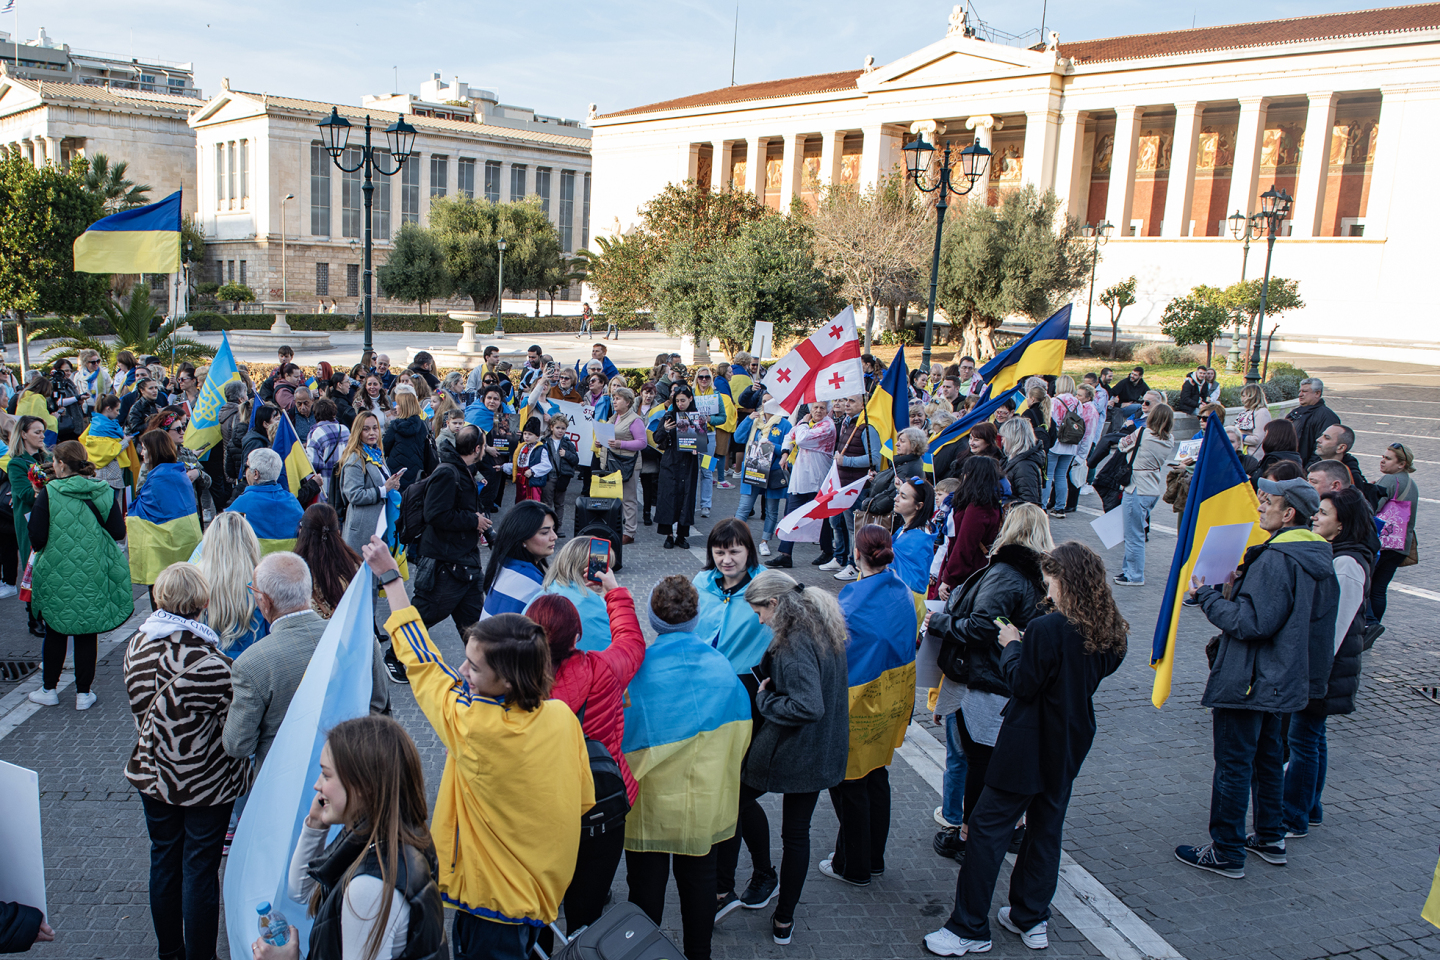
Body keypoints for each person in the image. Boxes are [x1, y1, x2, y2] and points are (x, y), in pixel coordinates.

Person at [368, 539, 593, 960]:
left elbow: (423, 664)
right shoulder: (561, 715)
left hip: (493, 906)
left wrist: (392, 577)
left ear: (507, 680)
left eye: (473, 666)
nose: (462, 671)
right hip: (538, 894)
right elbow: (580, 798)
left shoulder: (473, 727)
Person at [925, 542, 1128, 957]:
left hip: (1027, 740)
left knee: (986, 828)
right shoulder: (1109, 629)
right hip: (1072, 738)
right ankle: (1030, 916)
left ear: (1064, 581)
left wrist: (1012, 644)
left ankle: (968, 927)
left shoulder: (1046, 629)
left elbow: (1022, 684)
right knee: (1045, 827)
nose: (1046, 590)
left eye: (1050, 581)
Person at [1176, 476, 1338, 878]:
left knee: (1234, 763)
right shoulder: (1318, 558)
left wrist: (1209, 597)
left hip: (1252, 677)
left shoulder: (1276, 559)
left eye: (1269, 502)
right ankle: (1270, 835)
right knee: (1267, 758)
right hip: (1283, 677)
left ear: (1289, 514)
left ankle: (1226, 850)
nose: (1261, 505)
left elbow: (1252, 624)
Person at [613, 576, 750, 960]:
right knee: (701, 881)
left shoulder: (637, 671)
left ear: (653, 618)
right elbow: (739, 735)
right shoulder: (722, 667)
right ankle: (699, 953)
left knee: (644, 887)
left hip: (650, 803)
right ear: (696, 616)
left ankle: (643, 951)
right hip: (702, 801)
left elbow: (622, 736)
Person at [124, 563, 251, 960]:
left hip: (153, 776)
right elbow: (235, 733)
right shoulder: (213, 667)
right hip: (206, 787)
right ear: (203, 603)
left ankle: (170, 952)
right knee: (199, 870)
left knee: (163, 861)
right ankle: (202, 955)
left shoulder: (136, 646)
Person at [715, 570, 849, 946]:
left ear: (774, 604)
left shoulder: (792, 642)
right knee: (797, 834)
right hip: (822, 750)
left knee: (735, 800)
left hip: (793, 749)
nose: (759, 620)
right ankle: (784, 919)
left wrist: (765, 698)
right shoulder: (822, 622)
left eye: (760, 611)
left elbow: (808, 705)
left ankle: (736, 887)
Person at [255, 716, 445, 960]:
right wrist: (315, 825)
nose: (317, 785)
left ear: (362, 786)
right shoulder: (389, 830)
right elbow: (301, 891)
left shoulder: (368, 888)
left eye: (326, 775)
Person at [927, 504, 1053, 862]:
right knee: (996, 760)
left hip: (988, 680)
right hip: (1012, 679)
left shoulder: (1007, 573)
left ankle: (971, 835)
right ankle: (1008, 827)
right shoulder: (1041, 574)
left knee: (980, 762)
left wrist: (940, 623)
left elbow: (984, 627)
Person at [527, 571, 646, 935]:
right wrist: (613, 591)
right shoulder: (604, 669)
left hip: (540, 813)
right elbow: (631, 641)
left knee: (539, 909)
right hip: (602, 807)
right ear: (577, 637)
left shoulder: (511, 684)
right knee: (588, 911)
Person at [223, 552, 390, 769]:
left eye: (253, 590)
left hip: (281, 781)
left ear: (265, 601)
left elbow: (238, 745)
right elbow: (378, 704)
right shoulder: (360, 638)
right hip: (351, 769)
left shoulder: (252, 664)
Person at [824, 525, 919, 886]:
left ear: (857, 555)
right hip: (894, 698)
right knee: (877, 776)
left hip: (857, 705)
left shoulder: (850, 603)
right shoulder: (901, 590)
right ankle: (873, 858)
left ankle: (853, 865)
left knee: (849, 785)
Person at [1281, 487, 1371, 841]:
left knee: (1303, 740)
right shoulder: (1340, 555)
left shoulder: (1347, 564)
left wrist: (1309, 671)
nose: (1315, 517)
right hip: (1325, 670)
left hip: (1324, 671)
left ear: (1342, 523)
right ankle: (1310, 808)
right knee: (1311, 738)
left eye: (1323, 513)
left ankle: (1294, 817)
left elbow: (1335, 626)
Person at [24, 440, 131, 711]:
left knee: (56, 630)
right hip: (93, 570)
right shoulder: (102, 490)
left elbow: (36, 536)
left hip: (56, 571)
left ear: (60, 464)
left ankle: (49, 689)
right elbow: (118, 532)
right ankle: (84, 693)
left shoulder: (50, 493)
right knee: (86, 631)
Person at [413, 423, 491, 635]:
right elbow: (435, 514)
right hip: (445, 565)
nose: (485, 450)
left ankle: (481, 666)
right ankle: (394, 661)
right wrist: (473, 520)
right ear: (477, 449)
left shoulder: (464, 470)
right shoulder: (448, 472)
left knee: (477, 630)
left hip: (466, 563)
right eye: (484, 446)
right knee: (419, 622)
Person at [128, 431, 203, 608]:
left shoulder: (158, 478)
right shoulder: (177, 472)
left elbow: (139, 507)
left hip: (163, 554)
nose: (141, 453)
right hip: (185, 545)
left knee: (164, 604)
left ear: (155, 451)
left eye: (145, 449)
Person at [1115, 402, 1176, 587]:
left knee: (1133, 535)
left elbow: (1121, 445)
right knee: (1137, 530)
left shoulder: (1142, 433)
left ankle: (1134, 575)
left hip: (1136, 488)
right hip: (1151, 488)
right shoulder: (1170, 439)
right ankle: (1128, 570)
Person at [771, 400, 835, 569]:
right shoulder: (805, 424)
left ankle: (828, 551)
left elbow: (800, 438)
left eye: (822, 408)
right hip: (800, 478)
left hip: (818, 478)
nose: (818, 411)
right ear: (810, 409)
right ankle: (785, 554)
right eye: (815, 407)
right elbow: (788, 437)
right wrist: (785, 454)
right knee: (790, 515)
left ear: (828, 411)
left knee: (821, 517)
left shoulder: (828, 426)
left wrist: (804, 423)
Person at [197, 512, 268, 657]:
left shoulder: (196, 583)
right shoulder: (263, 584)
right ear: (250, 541)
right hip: (255, 666)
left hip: (208, 666)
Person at [338, 412, 404, 556]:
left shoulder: (376, 453)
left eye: (375, 428)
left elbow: (382, 484)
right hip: (363, 529)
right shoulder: (354, 459)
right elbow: (354, 495)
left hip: (382, 522)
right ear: (358, 431)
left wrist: (392, 485)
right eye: (366, 429)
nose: (372, 433)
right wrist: (383, 490)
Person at [937, 456, 1004, 598]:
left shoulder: (977, 508)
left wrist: (949, 578)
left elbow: (964, 546)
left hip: (966, 572)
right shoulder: (990, 503)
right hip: (972, 567)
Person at [832, 395, 882, 581]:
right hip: (845, 485)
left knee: (856, 527)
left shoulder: (867, 428)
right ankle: (845, 560)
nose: (846, 403)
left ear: (863, 404)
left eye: (852, 401)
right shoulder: (849, 423)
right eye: (845, 399)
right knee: (844, 525)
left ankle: (855, 565)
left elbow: (874, 458)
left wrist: (847, 461)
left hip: (858, 486)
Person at [1369, 442, 1418, 632]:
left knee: (1368, 587)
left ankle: (1369, 624)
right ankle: (1373, 628)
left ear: (1401, 464)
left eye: (1388, 459)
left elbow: (1373, 507)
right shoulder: (1411, 484)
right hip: (1399, 544)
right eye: (1383, 456)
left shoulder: (1391, 480)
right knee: (1380, 589)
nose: (1382, 461)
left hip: (1383, 543)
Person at [480, 500, 557, 619]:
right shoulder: (532, 583)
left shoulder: (505, 565)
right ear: (522, 538)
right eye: (545, 532)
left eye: (553, 529)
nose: (554, 536)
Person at [8, 416, 50, 636]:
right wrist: (46, 487)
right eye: (37, 432)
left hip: (51, 518)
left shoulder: (49, 457)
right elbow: (25, 494)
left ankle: (48, 612)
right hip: (29, 521)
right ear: (23, 434)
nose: (42, 436)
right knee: (32, 566)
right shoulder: (16, 463)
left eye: (43, 431)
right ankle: (33, 617)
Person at [733, 404, 792, 558]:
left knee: (771, 510)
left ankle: (764, 541)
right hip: (753, 470)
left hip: (772, 472)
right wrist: (747, 420)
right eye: (764, 401)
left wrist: (773, 446)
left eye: (771, 400)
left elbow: (789, 449)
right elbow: (738, 438)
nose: (767, 404)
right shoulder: (754, 421)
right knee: (744, 507)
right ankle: (736, 539)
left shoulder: (784, 424)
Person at [654, 386, 702, 549]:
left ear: (690, 399)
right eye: (677, 401)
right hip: (671, 461)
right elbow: (656, 438)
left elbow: (703, 442)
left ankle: (682, 535)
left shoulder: (696, 417)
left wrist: (698, 443)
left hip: (689, 463)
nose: (680, 404)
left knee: (687, 498)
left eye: (683, 400)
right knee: (668, 497)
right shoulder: (669, 415)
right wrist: (665, 429)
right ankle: (668, 535)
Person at [295, 503, 362, 620]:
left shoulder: (294, 571)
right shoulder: (354, 565)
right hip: (346, 632)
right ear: (338, 532)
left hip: (309, 634)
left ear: (302, 532)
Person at [1042, 376, 1095, 520]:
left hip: (1055, 444)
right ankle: (1060, 508)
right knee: (1061, 476)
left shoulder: (1054, 401)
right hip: (1071, 444)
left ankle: (1042, 506)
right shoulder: (1078, 402)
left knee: (1048, 475)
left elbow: (1049, 422)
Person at [597, 386, 645, 542]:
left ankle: (630, 532)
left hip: (627, 464)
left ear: (628, 402)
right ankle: (614, 527)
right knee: (612, 497)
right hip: (611, 462)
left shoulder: (635, 420)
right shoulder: (614, 417)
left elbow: (642, 443)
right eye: (614, 398)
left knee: (629, 498)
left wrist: (620, 444)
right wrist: (601, 442)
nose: (614, 401)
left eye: (618, 398)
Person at [382, 389, 436, 493]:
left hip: (396, 473)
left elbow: (384, 448)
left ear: (403, 406)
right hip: (417, 472)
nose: (395, 407)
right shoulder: (422, 425)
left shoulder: (394, 426)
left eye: (397, 404)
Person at [1287, 378, 1341, 467]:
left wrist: (1309, 470)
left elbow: (1324, 449)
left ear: (1317, 393)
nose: (1300, 395)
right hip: (1291, 467)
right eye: (1300, 391)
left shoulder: (1327, 417)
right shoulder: (1295, 413)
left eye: (1305, 391)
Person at [540, 414, 579, 534]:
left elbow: (576, 460)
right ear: (552, 427)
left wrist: (566, 454)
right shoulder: (545, 442)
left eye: (563, 428)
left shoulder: (568, 443)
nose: (560, 431)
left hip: (562, 477)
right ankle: (547, 526)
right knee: (547, 502)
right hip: (548, 477)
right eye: (558, 428)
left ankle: (558, 526)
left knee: (560, 503)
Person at [305, 397, 350, 491]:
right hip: (346, 483)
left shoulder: (316, 433)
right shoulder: (345, 430)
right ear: (334, 413)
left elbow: (313, 464)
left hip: (326, 487)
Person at [999, 417, 1045, 507]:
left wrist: (1005, 504)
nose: (1002, 441)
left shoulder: (1024, 466)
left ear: (1014, 438)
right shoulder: (1012, 459)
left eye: (1004, 437)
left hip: (1018, 518)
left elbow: (1029, 502)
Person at [1246, 419, 1305, 486]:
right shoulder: (1295, 457)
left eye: (1266, 434)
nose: (1264, 438)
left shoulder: (1273, 459)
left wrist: (1249, 479)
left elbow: (1263, 484)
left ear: (1273, 436)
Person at [1235, 384, 1272, 457]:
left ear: (1251, 396)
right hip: (1243, 455)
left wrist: (1239, 437)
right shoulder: (1246, 412)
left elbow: (1257, 439)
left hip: (1254, 456)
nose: (1241, 399)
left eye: (1244, 396)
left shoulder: (1262, 412)